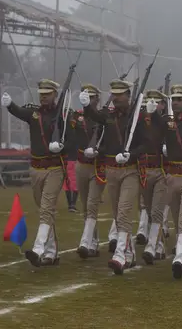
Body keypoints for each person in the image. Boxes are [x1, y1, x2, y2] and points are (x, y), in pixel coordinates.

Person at [80, 79, 145, 275]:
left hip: (131, 170)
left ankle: (119, 254)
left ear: (128, 96)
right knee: (117, 213)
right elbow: (95, 116)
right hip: (111, 170)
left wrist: (131, 155)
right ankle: (130, 253)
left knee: (124, 210)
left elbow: (148, 144)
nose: (116, 98)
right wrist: (86, 106)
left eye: (120, 94)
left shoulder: (137, 117)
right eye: (114, 94)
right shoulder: (108, 116)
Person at [2, 79, 67, 267]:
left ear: (55, 94)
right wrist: (10, 105)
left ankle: (38, 249)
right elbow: (19, 112)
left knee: (46, 208)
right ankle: (52, 251)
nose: (44, 96)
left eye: (48, 93)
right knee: (44, 209)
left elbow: (75, 138)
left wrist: (62, 146)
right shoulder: (33, 113)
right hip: (36, 168)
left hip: (55, 168)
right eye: (41, 93)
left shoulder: (62, 114)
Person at [145, 84, 182, 279]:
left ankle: (178, 256)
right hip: (172, 177)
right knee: (178, 220)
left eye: (180, 99)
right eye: (173, 99)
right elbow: (153, 137)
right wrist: (151, 116)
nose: (176, 102)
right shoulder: (167, 122)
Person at [71, 84, 106, 259]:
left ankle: (85, 241)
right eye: (87, 97)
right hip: (81, 164)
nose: (89, 100)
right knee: (85, 205)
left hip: (98, 165)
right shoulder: (77, 117)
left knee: (92, 204)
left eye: (92, 97)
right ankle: (93, 241)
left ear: (97, 99)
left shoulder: (102, 117)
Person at [141, 89, 169, 264]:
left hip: (162, 171)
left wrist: (155, 116)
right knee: (150, 211)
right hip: (145, 169)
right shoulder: (141, 121)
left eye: (157, 101)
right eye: (150, 101)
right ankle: (159, 245)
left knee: (157, 211)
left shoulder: (166, 120)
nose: (153, 104)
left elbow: (165, 128)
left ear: (164, 105)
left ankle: (151, 246)